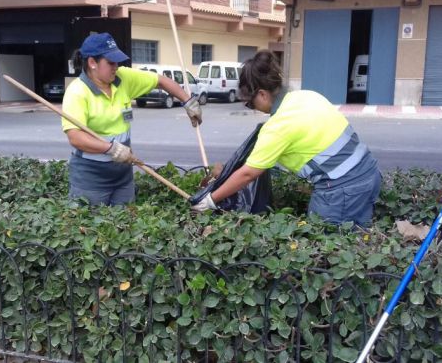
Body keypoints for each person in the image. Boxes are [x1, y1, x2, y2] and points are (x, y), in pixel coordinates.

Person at [191, 50, 381, 227]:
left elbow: (249, 174)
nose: (253, 108)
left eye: (250, 103)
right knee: (356, 240)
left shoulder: (277, 126)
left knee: (328, 247)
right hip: (370, 173)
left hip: (342, 191)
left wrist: (211, 200)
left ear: (263, 94)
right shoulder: (306, 96)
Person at [62, 32, 202, 206]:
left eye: (117, 61)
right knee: (91, 226)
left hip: (123, 175)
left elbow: (161, 81)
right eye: (110, 62)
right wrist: (111, 149)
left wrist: (188, 102)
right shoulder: (77, 92)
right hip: (91, 178)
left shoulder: (122, 78)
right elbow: (75, 137)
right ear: (92, 63)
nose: (116, 66)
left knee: (125, 224)